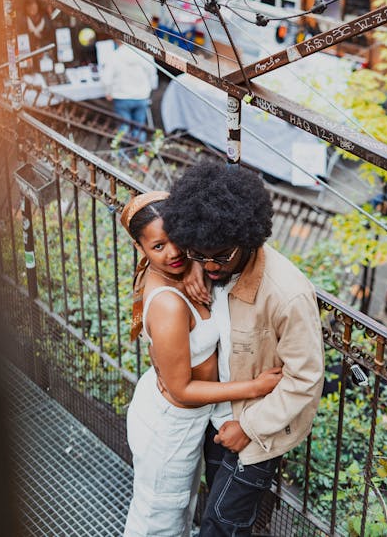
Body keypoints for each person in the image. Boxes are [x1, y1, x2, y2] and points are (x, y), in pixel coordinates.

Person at [161, 162, 325, 537]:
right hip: (215, 419)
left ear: (248, 237)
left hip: (255, 433)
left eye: (220, 255)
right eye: (199, 254)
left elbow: (306, 379)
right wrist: (195, 265)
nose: (211, 265)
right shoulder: (208, 259)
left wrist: (248, 427)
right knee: (221, 515)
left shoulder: (287, 295)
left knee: (221, 525)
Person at [120, 191, 282, 537]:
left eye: (178, 239)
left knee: (182, 507)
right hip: (171, 424)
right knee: (158, 517)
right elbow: (181, 388)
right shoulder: (169, 305)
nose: (173, 252)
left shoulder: (188, 267)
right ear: (141, 249)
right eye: (158, 246)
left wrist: (196, 263)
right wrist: (255, 387)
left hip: (191, 419)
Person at [102, 40, 157, 142]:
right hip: (141, 96)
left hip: (122, 97)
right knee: (139, 127)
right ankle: (139, 154)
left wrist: (108, 92)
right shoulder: (145, 54)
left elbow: (106, 78)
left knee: (123, 128)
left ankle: (122, 154)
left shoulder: (115, 55)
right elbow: (153, 74)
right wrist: (151, 90)